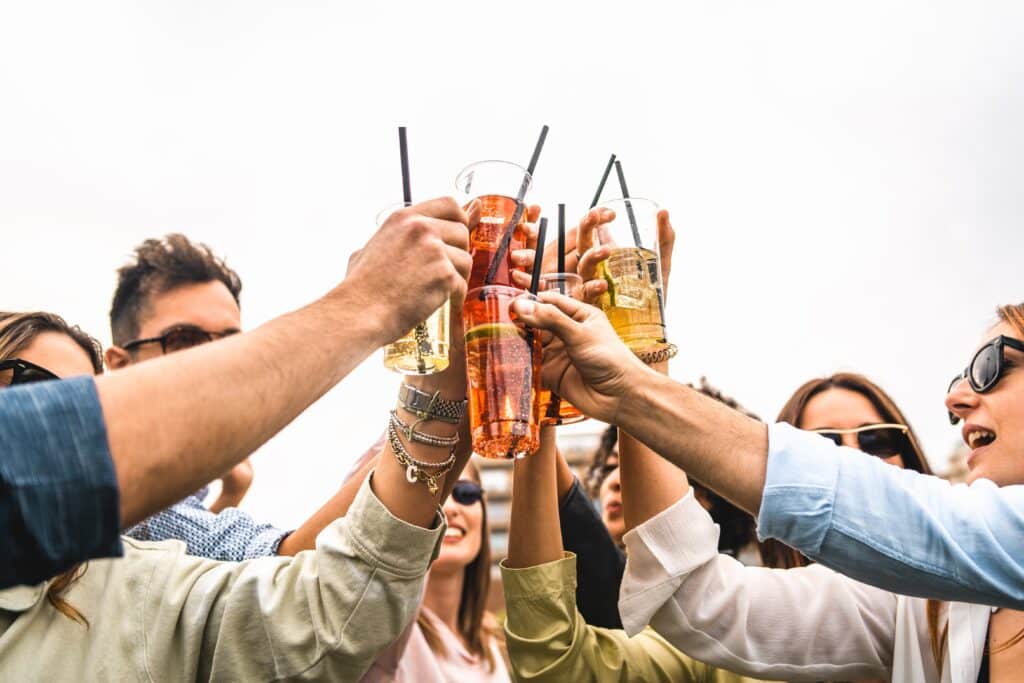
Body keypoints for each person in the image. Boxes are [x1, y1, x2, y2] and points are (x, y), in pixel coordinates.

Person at [0, 196, 475, 590]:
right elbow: (290, 565)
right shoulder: (116, 507)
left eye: (233, 346)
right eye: (183, 341)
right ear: (118, 368)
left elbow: (283, 568)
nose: (219, 366)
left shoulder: (178, 517)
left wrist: (463, 374)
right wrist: (373, 300)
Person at [511, 276, 1024, 609]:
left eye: (991, 367)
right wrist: (640, 360)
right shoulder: (914, 609)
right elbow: (690, 600)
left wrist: (636, 389)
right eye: (820, 445)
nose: (956, 396)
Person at [363, 462, 510, 682]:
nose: (450, 507)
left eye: (465, 493)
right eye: (434, 493)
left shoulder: (489, 639)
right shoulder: (387, 632)